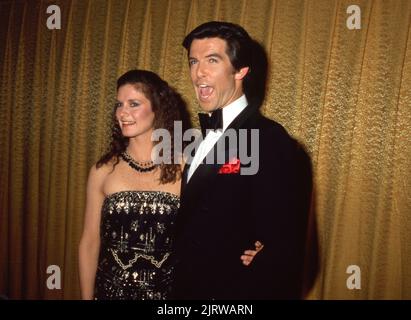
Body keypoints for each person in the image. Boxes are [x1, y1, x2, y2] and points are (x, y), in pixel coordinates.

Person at [78, 69, 260, 300]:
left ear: (157, 108)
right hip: (110, 292)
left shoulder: (188, 166)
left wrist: (259, 242)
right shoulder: (103, 170)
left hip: (172, 295)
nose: (122, 112)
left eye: (133, 103)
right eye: (119, 104)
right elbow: (90, 241)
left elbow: (225, 218)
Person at [171, 21, 312, 299]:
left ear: (241, 69)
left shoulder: (269, 137)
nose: (198, 72)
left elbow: (284, 247)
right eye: (193, 61)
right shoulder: (198, 139)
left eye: (212, 60)